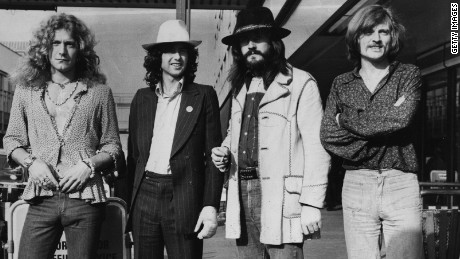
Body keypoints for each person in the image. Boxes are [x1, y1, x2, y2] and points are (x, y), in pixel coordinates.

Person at [212, 7, 330, 258]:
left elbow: (317, 147)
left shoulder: (300, 83)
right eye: (244, 41)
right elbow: (235, 133)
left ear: (274, 42)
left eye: (258, 38)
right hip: (241, 191)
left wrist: (311, 203)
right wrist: (223, 151)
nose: (251, 45)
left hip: (281, 195)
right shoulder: (239, 88)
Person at [3, 13, 124, 258]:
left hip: (86, 199)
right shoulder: (26, 91)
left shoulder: (99, 93)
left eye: (69, 44)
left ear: (79, 49)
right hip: (41, 198)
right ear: (44, 49)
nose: (62, 51)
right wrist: (31, 163)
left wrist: (88, 166)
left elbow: (112, 146)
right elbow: (12, 139)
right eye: (55, 44)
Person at [320, 5, 424, 259]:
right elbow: (328, 136)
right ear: (355, 38)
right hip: (357, 183)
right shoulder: (341, 83)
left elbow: (401, 118)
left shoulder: (408, 75)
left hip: (400, 182)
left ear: (393, 38)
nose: (376, 39)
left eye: (383, 32)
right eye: (367, 32)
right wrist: (383, 123)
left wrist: (345, 120)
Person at [126, 20, 223, 259]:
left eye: (183, 51)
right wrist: (126, 209)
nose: (177, 57)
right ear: (157, 57)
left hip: (184, 198)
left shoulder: (204, 95)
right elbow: (133, 158)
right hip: (145, 197)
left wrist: (210, 205)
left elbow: (214, 158)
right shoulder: (142, 99)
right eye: (170, 50)